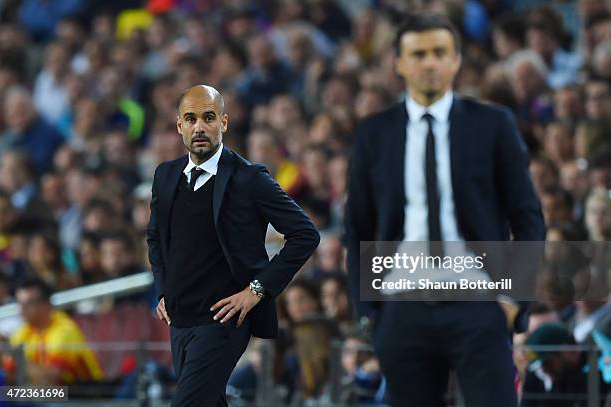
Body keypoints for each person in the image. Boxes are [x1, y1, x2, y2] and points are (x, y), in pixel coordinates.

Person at [345, 14, 545, 407]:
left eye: (439, 52)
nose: (430, 63)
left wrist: (512, 304)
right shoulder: (374, 133)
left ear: (456, 61)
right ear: (399, 63)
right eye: (418, 54)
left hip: (478, 302)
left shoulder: (493, 125)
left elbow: (528, 219)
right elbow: (358, 229)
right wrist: (369, 313)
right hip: (400, 306)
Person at [146, 84, 319, 406]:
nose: (200, 127)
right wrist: (163, 289)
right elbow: (156, 237)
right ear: (179, 125)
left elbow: (305, 235)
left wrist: (256, 291)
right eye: (191, 118)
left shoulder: (249, 179)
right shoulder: (165, 176)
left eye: (209, 117)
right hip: (180, 319)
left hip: (223, 322)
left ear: (223, 123)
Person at [6, 277, 103, 385]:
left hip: (82, 396)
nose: (22, 309)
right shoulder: (22, 332)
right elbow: (10, 377)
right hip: (50, 397)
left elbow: (51, 381)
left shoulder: (64, 330)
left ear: (46, 304)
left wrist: (15, 354)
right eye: (19, 303)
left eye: (28, 303)